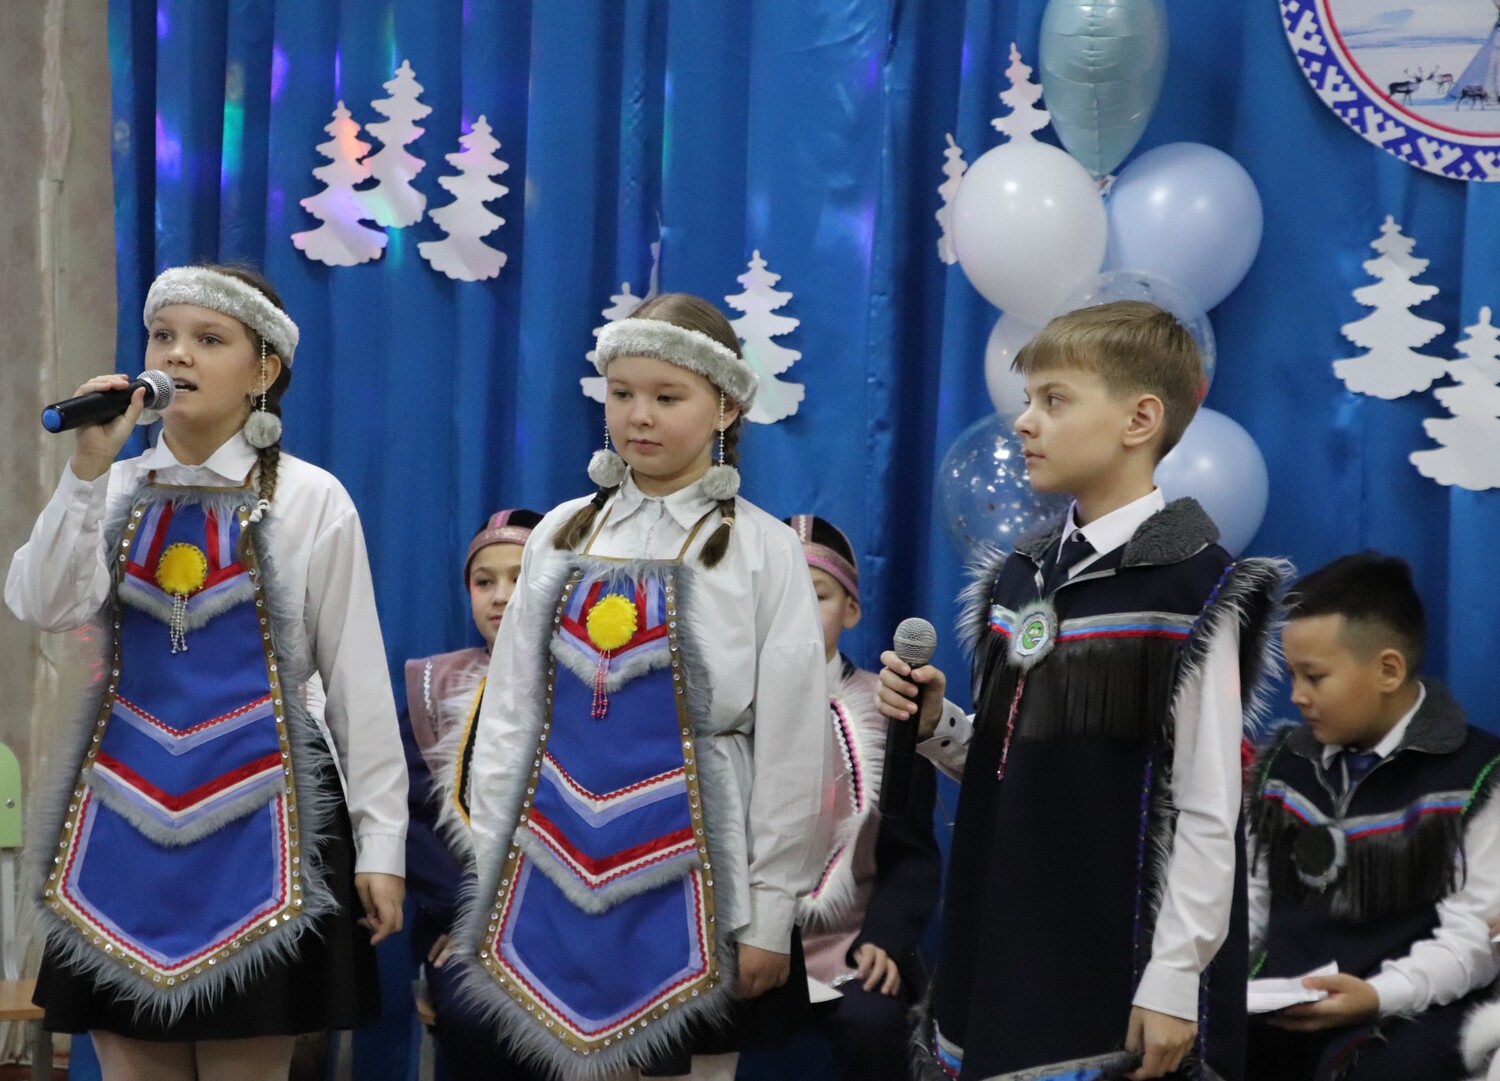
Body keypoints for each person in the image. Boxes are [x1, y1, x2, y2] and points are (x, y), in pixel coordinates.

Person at [4, 264, 407, 1081]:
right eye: (164, 335)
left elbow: (357, 682)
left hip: (266, 822)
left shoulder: (311, 498)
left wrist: (383, 844)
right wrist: (85, 470)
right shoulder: (114, 484)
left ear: (265, 371)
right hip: (124, 816)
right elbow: (40, 601)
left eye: (209, 339)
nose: (177, 355)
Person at [877, 301, 1287, 1081]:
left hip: (1111, 947)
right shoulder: (1021, 574)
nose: (1025, 421)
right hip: (1004, 928)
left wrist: (1174, 974)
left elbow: (1208, 804)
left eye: (1055, 399)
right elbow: (1016, 764)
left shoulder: (1192, 590)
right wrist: (938, 726)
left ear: (1140, 419)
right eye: (1028, 399)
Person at [452, 293, 831, 1081]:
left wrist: (771, 908)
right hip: (556, 852)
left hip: (702, 863)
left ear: (725, 405)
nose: (640, 416)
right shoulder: (560, 533)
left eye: (667, 396)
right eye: (622, 393)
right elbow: (512, 709)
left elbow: (794, 742)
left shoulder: (762, 549)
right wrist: (497, 858)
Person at [1246, 553, 1500, 1081]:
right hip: (1282, 995)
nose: (1296, 696)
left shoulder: (1477, 776)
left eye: (1314, 676)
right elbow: (1250, 901)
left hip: (1410, 1006)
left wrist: (1378, 996)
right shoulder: (1283, 765)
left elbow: (1473, 940)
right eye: (1292, 675)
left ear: (1388, 670)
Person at [783, 513, 941, 1081]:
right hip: (738, 948)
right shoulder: (721, 709)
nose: (798, 610)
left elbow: (910, 853)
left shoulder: (890, 711)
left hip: (846, 942)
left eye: (818, 594)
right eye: (781, 594)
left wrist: (885, 939)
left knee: (873, 1023)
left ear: (851, 610)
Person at [400, 509, 544, 1080]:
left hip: (570, 921)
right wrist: (473, 919)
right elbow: (416, 823)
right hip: (463, 922)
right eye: (485, 582)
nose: (501, 596)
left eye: (520, 579)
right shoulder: (434, 689)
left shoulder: (595, 688)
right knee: (477, 1014)